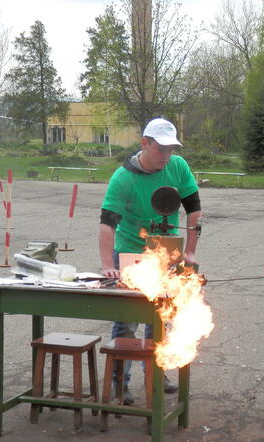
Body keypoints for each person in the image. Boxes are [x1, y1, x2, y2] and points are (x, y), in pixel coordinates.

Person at [99, 117, 201, 404]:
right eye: (161, 150)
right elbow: (107, 222)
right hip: (131, 251)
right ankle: (121, 383)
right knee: (127, 321)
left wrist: (190, 252)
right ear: (145, 143)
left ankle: (156, 373)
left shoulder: (178, 167)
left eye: (171, 150)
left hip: (167, 250)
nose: (167, 156)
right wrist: (108, 263)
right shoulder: (124, 177)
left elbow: (194, 211)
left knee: (161, 317)